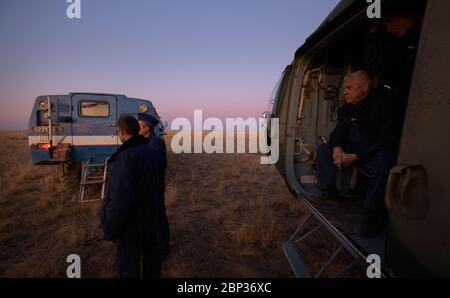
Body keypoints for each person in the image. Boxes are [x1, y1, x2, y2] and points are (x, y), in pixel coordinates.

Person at [313, 71, 398, 237]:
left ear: (365, 87)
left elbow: (388, 139)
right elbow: (336, 134)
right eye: (344, 89)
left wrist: (355, 157)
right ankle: (330, 193)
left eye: (349, 88)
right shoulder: (346, 109)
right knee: (324, 149)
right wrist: (337, 148)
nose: (344, 92)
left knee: (385, 158)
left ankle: (371, 214)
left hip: (373, 152)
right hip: (352, 150)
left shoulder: (385, 103)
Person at [100, 115, 164, 278]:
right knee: (152, 260)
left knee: (128, 265)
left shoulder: (126, 157)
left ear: (121, 132)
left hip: (131, 223)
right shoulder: (152, 151)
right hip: (151, 215)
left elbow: (120, 197)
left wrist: (110, 227)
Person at [364, 1, 424, 124]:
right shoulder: (404, 44)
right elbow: (374, 62)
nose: (389, 29)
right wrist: (374, 28)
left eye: (390, 19)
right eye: (385, 24)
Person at [138, 113, 170, 260]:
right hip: (148, 186)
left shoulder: (155, 142)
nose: (137, 128)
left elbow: (159, 166)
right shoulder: (146, 141)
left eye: (139, 126)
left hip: (154, 186)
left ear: (147, 128)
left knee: (158, 216)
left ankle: (163, 248)